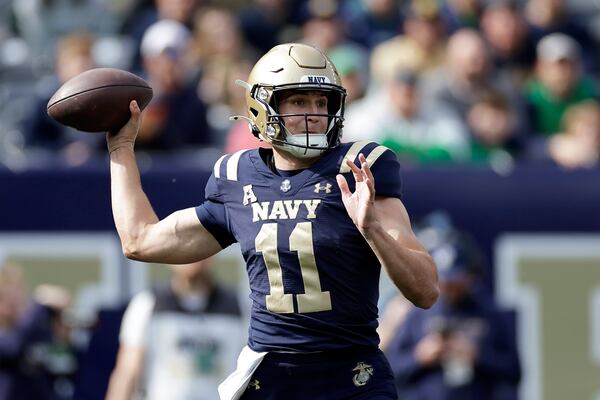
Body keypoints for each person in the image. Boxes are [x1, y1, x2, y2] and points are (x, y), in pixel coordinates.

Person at [105, 42, 439, 399]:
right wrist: (121, 148)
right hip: (271, 379)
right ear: (262, 108)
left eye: (321, 102)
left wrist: (372, 229)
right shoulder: (237, 177)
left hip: (351, 376)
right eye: (298, 101)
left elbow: (426, 290)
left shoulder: (358, 169)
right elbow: (139, 240)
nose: (313, 114)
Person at [385, 215, 521, 400]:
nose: (449, 287)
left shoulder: (490, 313)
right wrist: (420, 356)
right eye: (445, 280)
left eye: (456, 280)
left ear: (471, 276)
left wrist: (477, 355)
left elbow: (514, 371)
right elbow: (389, 369)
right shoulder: (417, 312)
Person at [105, 259, 243, 400]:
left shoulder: (241, 307)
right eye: (182, 246)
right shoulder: (147, 304)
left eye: (197, 245)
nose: (190, 256)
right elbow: (127, 373)